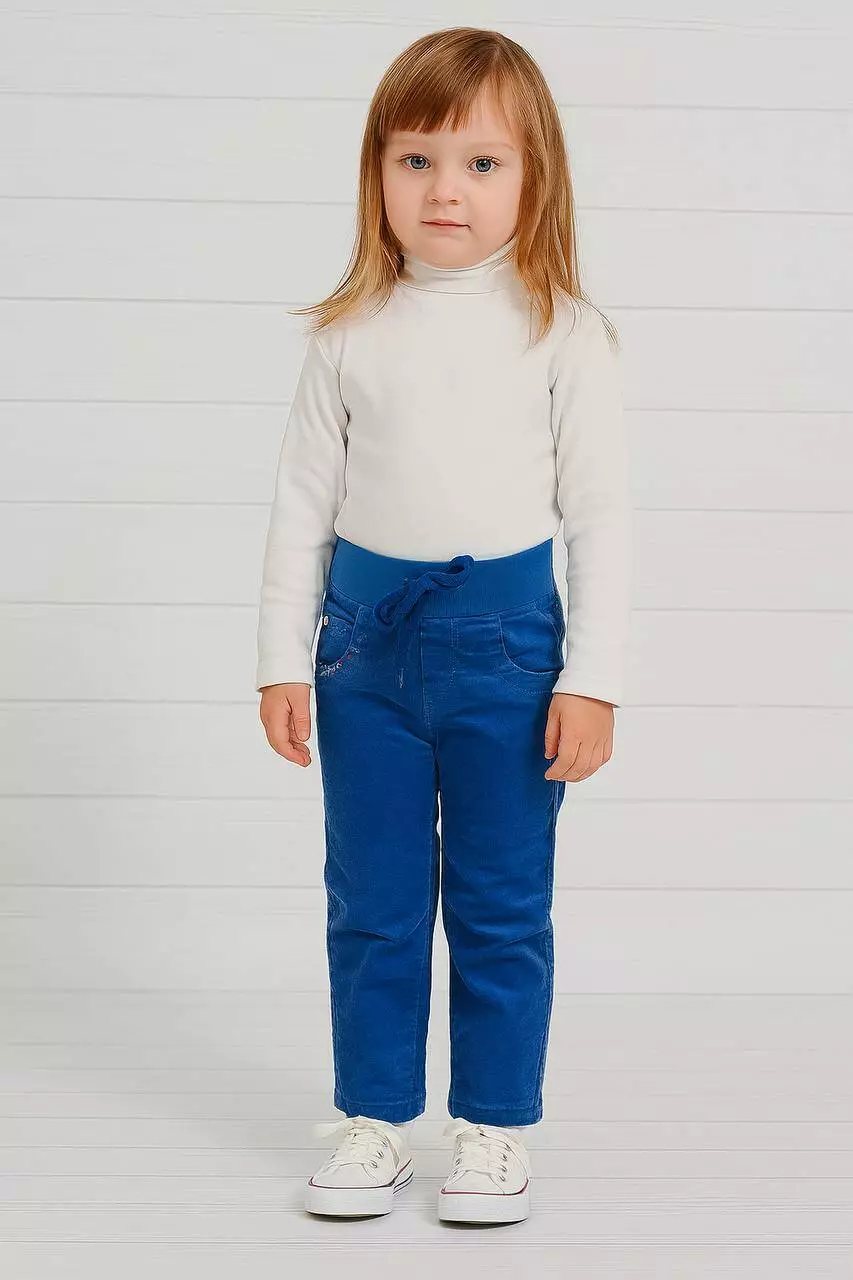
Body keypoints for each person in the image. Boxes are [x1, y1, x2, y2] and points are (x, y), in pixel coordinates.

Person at [256, 27, 632, 1225]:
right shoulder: (346, 332)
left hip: (511, 655)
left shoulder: (561, 330)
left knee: (499, 902)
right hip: (362, 655)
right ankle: (373, 1117)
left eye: (481, 163)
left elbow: (600, 518)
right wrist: (281, 662)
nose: (444, 191)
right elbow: (301, 510)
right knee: (370, 900)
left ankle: (492, 1126)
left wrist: (592, 678)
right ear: (376, 170)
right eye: (415, 160)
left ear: (534, 177)